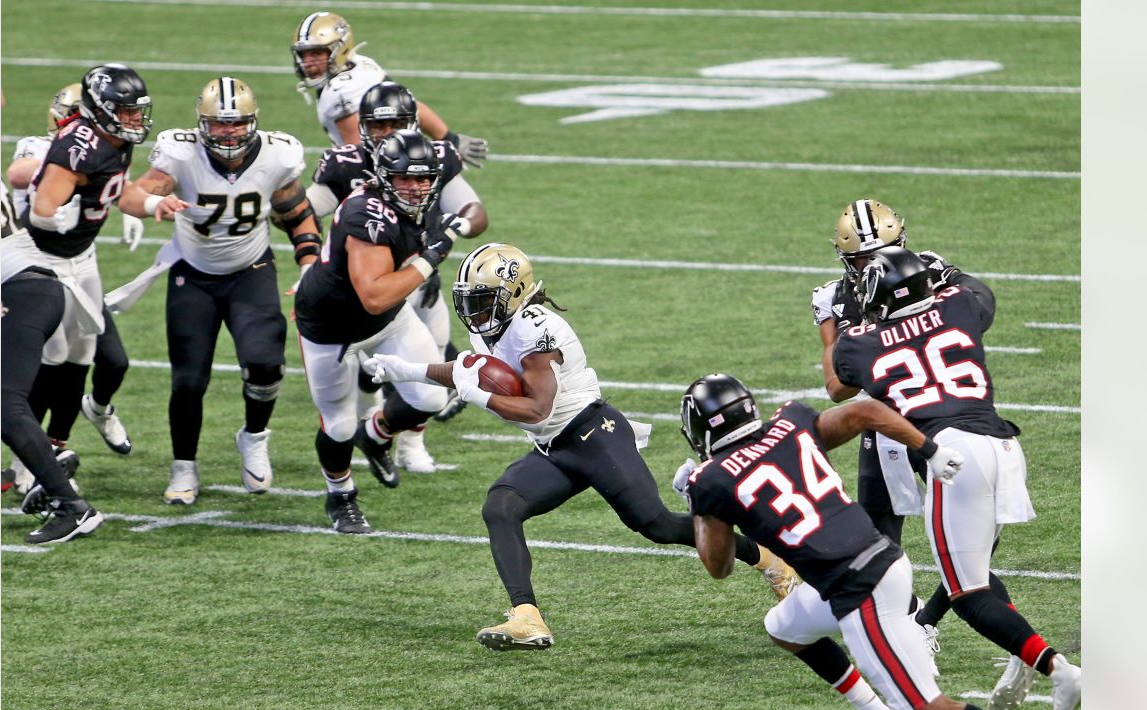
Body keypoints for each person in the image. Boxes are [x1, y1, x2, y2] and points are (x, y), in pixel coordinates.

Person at [363, 242, 797, 651]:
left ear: (513, 296)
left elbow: (535, 408)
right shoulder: (499, 327)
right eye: (470, 299)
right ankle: (527, 617)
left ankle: (773, 562)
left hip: (594, 433)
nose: (472, 310)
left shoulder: (537, 328)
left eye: (483, 299)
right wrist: (405, 370)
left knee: (658, 525)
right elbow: (466, 368)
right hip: (555, 446)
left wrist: (476, 395)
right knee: (501, 506)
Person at [832, 247, 1081, 710]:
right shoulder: (960, 304)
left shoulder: (859, 342)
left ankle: (1060, 672)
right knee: (972, 578)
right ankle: (1036, 660)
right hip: (1003, 446)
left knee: (967, 594)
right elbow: (977, 292)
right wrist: (942, 269)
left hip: (951, 453)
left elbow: (840, 380)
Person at [676, 373, 988, 710]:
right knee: (783, 627)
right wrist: (930, 450)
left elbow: (719, 568)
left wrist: (699, 508)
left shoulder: (712, 481)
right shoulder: (790, 423)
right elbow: (866, 411)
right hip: (881, 562)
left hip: (858, 588)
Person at [116, 76, 322, 505]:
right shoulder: (179, 152)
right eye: (218, 124)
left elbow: (296, 210)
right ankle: (183, 466)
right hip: (193, 274)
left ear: (254, 122)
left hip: (252, 270)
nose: (228, 133)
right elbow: (130, 196)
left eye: (237, 124)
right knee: (189, 381)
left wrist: (308, 265)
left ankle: (254, 436)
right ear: (201, 123)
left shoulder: (278, 155)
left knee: (265, 364)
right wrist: (156, 204)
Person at [306, 80, 489, 473]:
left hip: (416, 287)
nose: (389, 134)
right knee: (351, 396)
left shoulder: (433, 158)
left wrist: (456, 227)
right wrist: (309, 253)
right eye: (378, 126)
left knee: (432, 377)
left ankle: (401, 442)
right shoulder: (347, 168)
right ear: (364, 128)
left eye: (399, 124)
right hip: (358, 290)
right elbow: (306, 209)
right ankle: (348, 452)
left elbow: (475, 209)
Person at [811, 198, 962, 666]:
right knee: (878, 544)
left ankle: (928, 619)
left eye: (886, 250)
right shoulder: (834, 297)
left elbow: (973, 324)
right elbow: (837, 387)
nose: (874, 264)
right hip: (884, 422)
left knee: (971, 535)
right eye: (861, 257)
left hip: (944, 411)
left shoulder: (930, 271)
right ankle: (906, 624)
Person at [294, 129, 465, 533]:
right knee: (337, 424)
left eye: (423, 178)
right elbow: (373, 294)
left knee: (431, 395)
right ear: (384, 176)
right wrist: (430, 259)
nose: (414, 186)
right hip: (332, 328)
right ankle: (341, 498)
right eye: (404, 177)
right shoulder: (366, 213)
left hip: (389, 319)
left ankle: (375, 433)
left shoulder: (421, 205)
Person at [9, 63, 151, 494]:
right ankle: (27, 459)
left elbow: (116, 187)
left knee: (90, 355)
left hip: (81, 259)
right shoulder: (59, 147)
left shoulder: (112, 144)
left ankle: (53, 445)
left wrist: (142, 206)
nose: (132, 120)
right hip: (39, 264)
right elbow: (19, 176)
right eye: (124, 112)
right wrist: (58, 191)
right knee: (45, 362)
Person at [1, 181, 102, 544]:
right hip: (30, 286)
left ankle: (71, 506)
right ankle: (49, 463)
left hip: (17, 291)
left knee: (4, 403)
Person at [289, 11, 489, 166]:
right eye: (304, 55)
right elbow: (411, 105)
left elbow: (359, 155)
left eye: (316, 53)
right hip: (415, 158)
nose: (308, 62)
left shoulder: (340, 92)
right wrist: (449, 139)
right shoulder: (363, 65)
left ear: (340, 49)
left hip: (391, 172)